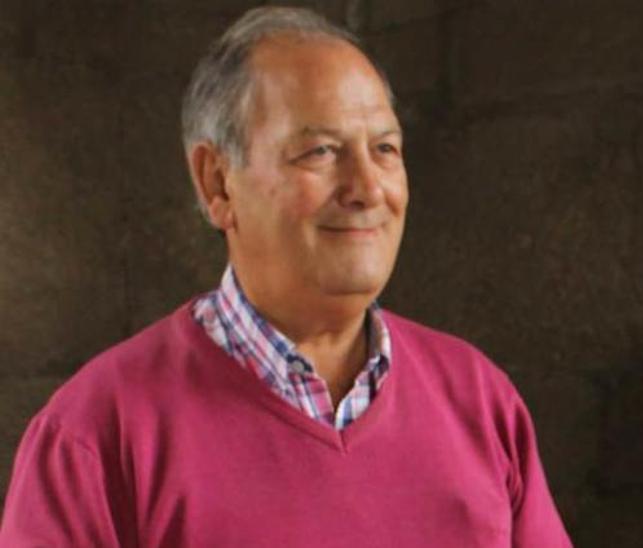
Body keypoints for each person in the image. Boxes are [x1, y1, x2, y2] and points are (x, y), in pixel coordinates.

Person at [0, 7, 571, 546]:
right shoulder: (93, 437)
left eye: (385, 149)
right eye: (320, 152)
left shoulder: (480, 400)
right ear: (218, 184)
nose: (368, 188)